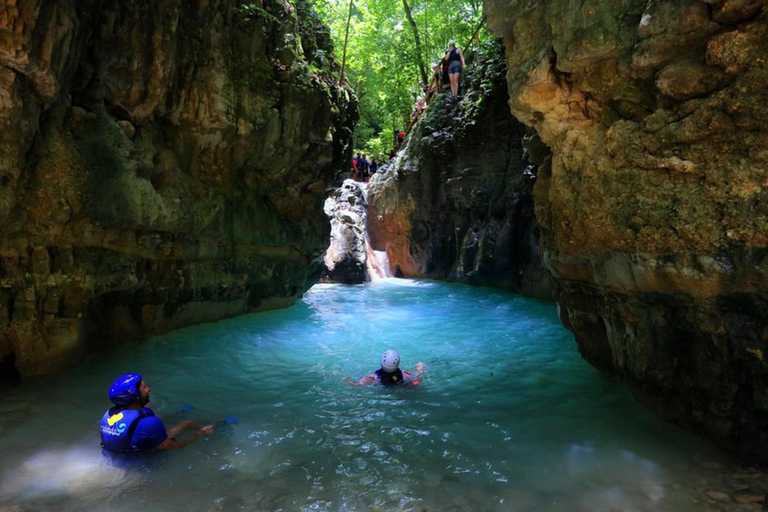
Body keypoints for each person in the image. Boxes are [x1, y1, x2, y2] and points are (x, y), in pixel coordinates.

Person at [100, 373, 214, 453]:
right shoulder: (148, 423)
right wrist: (197, 435)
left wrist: (141, 405)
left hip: (124, 452)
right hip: (145, 459)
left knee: (180, 425)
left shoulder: (108, 415)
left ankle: (181, 413)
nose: (148, 389)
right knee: (186, 423)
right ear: (135, 397)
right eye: (144, 388)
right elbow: (170, 447)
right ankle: (212, 427)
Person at [344, 350, 425, 386]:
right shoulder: (405, 376)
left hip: (382, 385)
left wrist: (346, 378)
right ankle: (420, 367)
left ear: (381, 363)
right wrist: (420, 373)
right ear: (398, 363)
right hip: (400, 383)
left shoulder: (373, 378)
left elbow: (356, 384)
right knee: (415, 372)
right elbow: (416, 383)